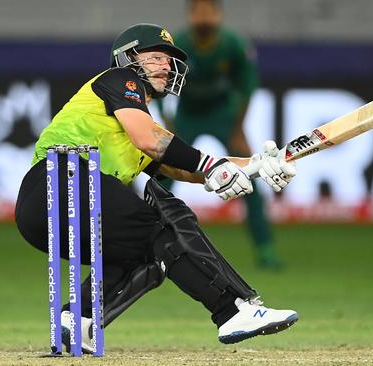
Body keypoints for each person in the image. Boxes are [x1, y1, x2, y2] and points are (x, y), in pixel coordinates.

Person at [15, 23, 298, 354]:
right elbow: (152, 140)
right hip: (60, 181)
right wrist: (210, 165)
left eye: (169, 59)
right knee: (163, 224)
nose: (166, 65)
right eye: (155, 57)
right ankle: (233, 310)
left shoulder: (130, 122)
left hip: (45, 212)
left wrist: (257, 165)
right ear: (127, 58)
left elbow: (178, 167)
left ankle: (80, 320)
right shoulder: (119, 81)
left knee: (149, 255)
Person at [162, 0, 281, 268]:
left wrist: (238, 129)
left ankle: (265, 249)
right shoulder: (178, 45)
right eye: (198, 12)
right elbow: (162, 86)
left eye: (209, 12)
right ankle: (143, 244)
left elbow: (247, 86)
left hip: (223, 115)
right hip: (187, 116)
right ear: (191, 16)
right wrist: (169, 124)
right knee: (163, 177)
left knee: (250, 177)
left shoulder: (233, 45)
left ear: (218, 15)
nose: (204, 18)